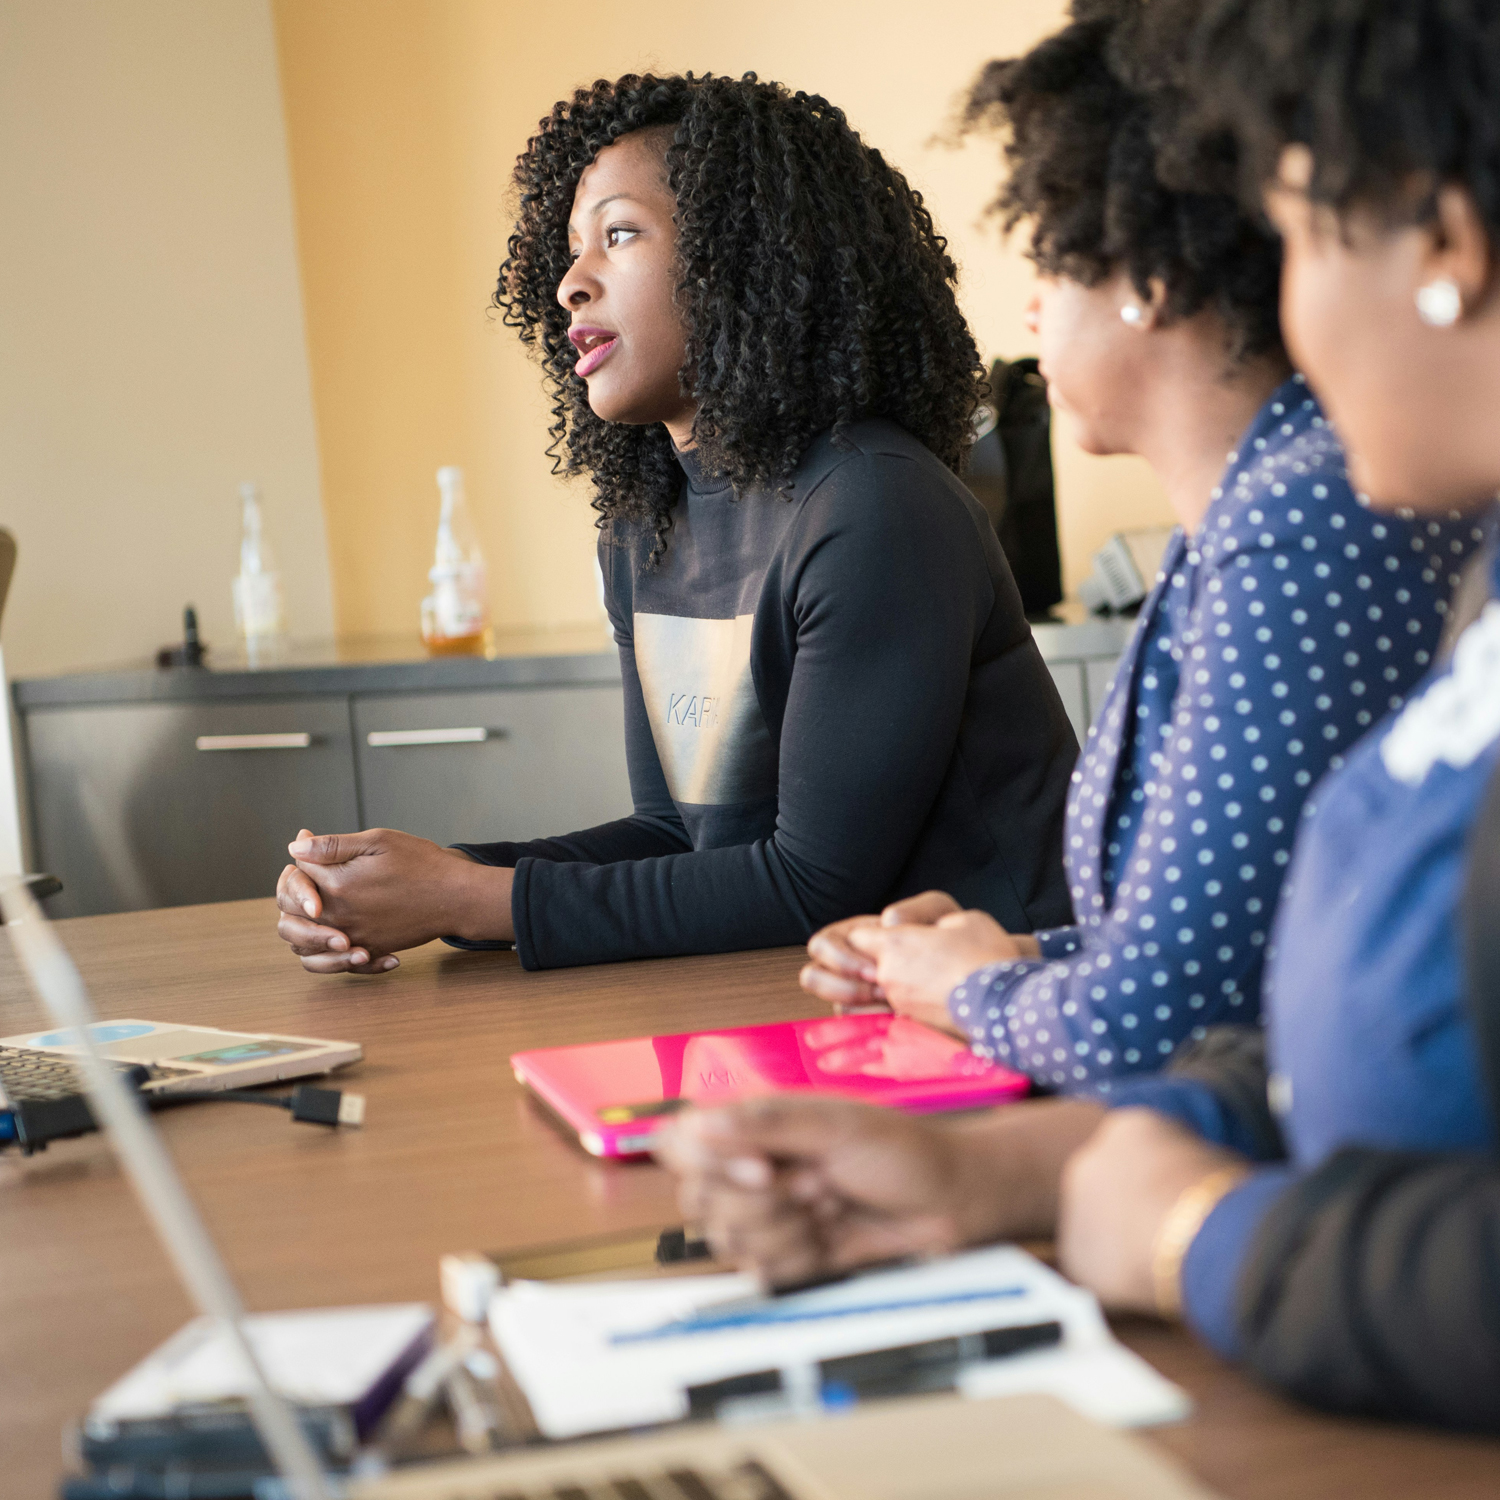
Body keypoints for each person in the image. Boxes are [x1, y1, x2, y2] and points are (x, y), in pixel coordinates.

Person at [657, 0, 1500, 1431]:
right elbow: (1298, 1022)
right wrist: (1022, 1174)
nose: (1284, 308)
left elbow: (1196, 1007)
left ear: (1446, 249)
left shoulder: (1311, 522)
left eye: (1298, 235)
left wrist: (1194, 1235)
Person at [797, 0, 1477, 1089]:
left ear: (1150, 277)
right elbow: (1229, 950)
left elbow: (1162, 1020)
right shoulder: (1244, 520)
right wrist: (1005, 957)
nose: (1027, 312)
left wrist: (971, 991)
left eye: (1051, 262)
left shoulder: (1300, 518)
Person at [271, 73, 1078, 975]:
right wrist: (425, 884)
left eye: (618, 235)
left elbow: (816, 883)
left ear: (744, 256)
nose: (572, 284)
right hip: (805, 992)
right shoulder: (642, 526)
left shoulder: (873, 505)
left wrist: (473, 897)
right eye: (571, 251)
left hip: (999, 1018)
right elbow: (679, 836)